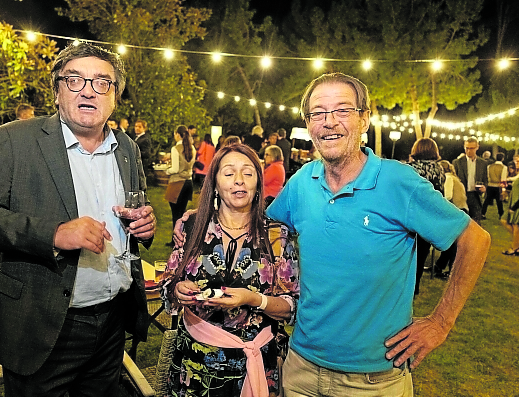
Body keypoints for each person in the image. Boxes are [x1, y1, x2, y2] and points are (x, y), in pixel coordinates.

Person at [265, 73, 490, 396]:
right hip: (300, 368)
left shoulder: (399, 181)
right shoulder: (303, 181)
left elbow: (476, 240)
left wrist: (441, 322)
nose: (329, 122)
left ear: (365, 119)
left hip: (374, 379)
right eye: (318, 113)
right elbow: (270, 227)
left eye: (342, 110)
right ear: (308, 123)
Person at [0, 42, 157, 397]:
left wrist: (143, 225)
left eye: (102, 82)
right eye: (75, 80)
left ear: (115, 97)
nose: (88, 91)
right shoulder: (14, 140)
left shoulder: (126, 148)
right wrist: (54, 234)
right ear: (57, 91)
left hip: (111, 322)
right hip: (42, 324)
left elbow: (134, 210)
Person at [160, 143, 299, 397]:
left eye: (248, 173)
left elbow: (291, 306)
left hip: (256, 366)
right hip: (194, 368)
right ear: (214, 183)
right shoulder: (192, 227)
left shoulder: (277, 234)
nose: (239, 181)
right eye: (229, 173)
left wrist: (255, 300)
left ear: (258, 182)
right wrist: (177, 290)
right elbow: (168, 286)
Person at [407, 137, 445, 295]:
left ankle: (405, 287)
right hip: (428, 217)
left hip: (408, 215)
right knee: (422, 254)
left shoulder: (408, 169)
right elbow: (440, 195)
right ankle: (415, 287)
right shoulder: (439, 169)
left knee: (406, 254)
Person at [433, 160, 469, 278]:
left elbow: (447, 196)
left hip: (456, 211)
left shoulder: (448, 179)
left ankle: (452, 271)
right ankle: (439, 265)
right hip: (462, 210)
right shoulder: (456, 179)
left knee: (453, 244)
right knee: (451, 242)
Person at [165, 125, 196, 246]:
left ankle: (175, 239)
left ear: (177, 134)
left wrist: (167, 171)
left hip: (177, 183)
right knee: (182, 213)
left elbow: (175, 168)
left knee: (176, 215)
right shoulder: (192, 148)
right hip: (188, 183)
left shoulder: (175, 148)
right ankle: (182, 238)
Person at [453, 137, 488, 223]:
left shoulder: (483, 163)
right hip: (462, 196)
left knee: (476, 224)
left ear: (477, 147)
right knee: (462, 224)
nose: (469, 151)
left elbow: (485, 180)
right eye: (467, 148)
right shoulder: (457, 162)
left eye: (471, 148)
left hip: (475, 196)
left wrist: (484, 188)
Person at [500, 157, 519, 256]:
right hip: (514, 202)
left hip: (518, 204)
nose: (517, 163)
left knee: (516, 225)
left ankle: (514, 248)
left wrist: (515, 207)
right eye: (517, 161)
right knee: (505, 221)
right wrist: (507, 186)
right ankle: (518, 245)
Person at [481, 152, 507, 219]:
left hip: (490, 185)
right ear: (502, 159)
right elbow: (503, 178)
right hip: (498, 186)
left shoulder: (489, 166)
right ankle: (501, 214)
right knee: (499, 201)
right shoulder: (503, 167)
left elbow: (487, 176)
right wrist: (503, 188)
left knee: (487, 200)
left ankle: (483, 213)